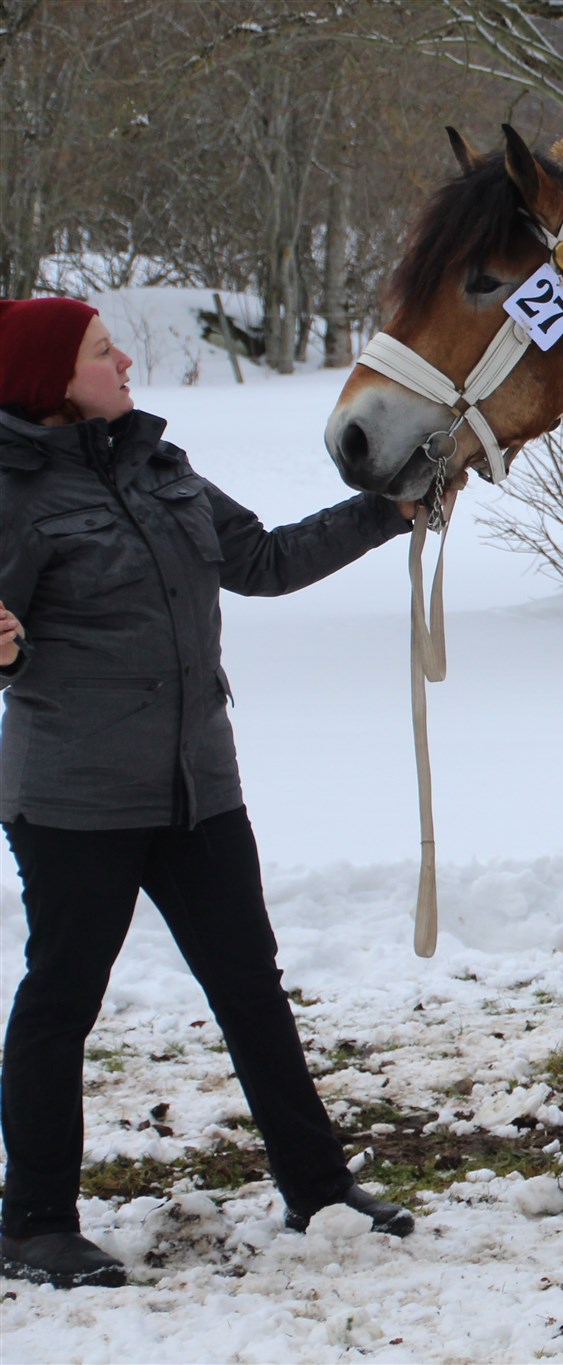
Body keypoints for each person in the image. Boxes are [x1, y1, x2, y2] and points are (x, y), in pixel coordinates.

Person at [0, 297, 442, 1290]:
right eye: (100, 351)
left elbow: (264, 562)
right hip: (73, 798)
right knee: (62, 997)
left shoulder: (160, 466)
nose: (122, 362)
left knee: (250, 986)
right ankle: (32, 1221)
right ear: (50, 381)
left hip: (196, 786)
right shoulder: (13, 493)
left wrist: (388, 510)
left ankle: (319, 1192)